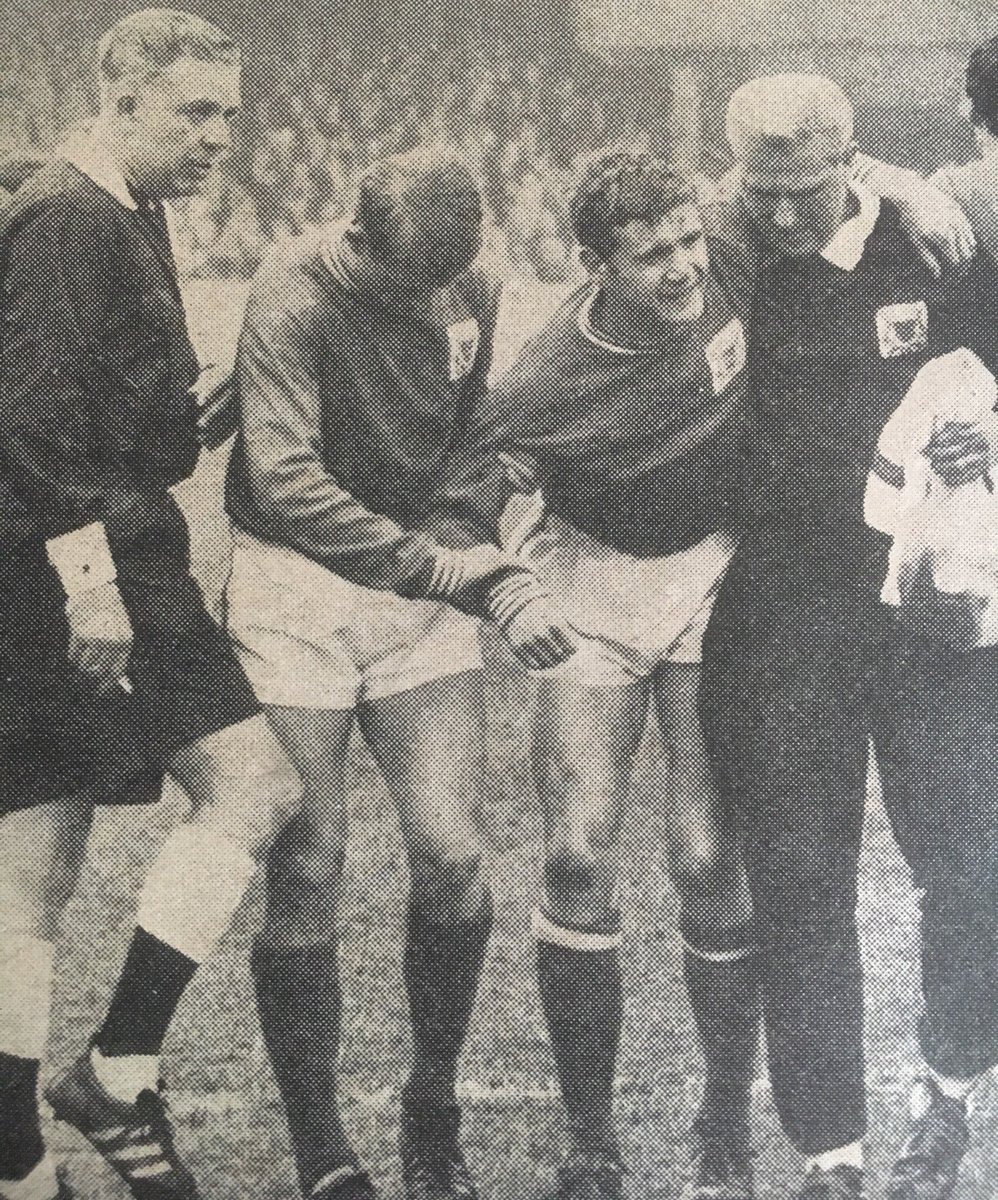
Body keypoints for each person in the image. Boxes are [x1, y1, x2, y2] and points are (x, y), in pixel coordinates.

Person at [224, 148, 576, 1200]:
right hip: (298, 590)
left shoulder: (465, 278)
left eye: (443, 283)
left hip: (423, 585)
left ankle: (432, 1105)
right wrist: (439, 564)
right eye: (404, 281)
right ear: (357, 237)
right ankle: (321, 1145)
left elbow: (481, 431)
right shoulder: (289, 296)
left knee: (453, 852)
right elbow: (285, 480)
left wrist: (458, 530)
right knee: (310, 859)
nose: (427, 301)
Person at [0, 11, 307, 1199]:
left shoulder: (117, 206)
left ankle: (21, 1161)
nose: (219, 134)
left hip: (90, 550)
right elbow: (31, 426)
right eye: (194, 111)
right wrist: (90, 588)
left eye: (229, 111)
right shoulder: (67, 219)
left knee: (34, 871)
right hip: (78, 566)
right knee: (254, 786)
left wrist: (192, 406)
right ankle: (116, 1070)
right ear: (120, 101)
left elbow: (104, 401)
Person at [435, 150, 759, 1200]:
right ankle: (589, 1142)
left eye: (684, 242)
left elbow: (818, 176)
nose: (679, 270)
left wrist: (911, 186)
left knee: (708, 858)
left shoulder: (733, 251)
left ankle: (721, 1119)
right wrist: (504, 581)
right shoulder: (546, 376)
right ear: (592, 264)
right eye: (648, 255)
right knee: (575, 853)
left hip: (713, 568)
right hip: (589, 580)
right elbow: (461, 487)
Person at [696, 74, 998, 1200]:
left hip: (922, 604)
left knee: (969, 858)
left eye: (801, 190)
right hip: (785, 608)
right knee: (798, 878)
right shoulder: (720, 249)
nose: (777, 214)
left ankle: (945, 1094)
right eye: (758, 191)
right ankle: (828, 1154)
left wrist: (985, 432)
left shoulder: (932, 248)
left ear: (847, 161)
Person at [867, 39, 998, 1200]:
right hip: (956, 597)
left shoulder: (937, 199)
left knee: (966, 867)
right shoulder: (929, 213)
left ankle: (947, 1093)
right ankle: (948, 1088)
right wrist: (892, 177)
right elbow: (781, 170)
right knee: (961, 865)